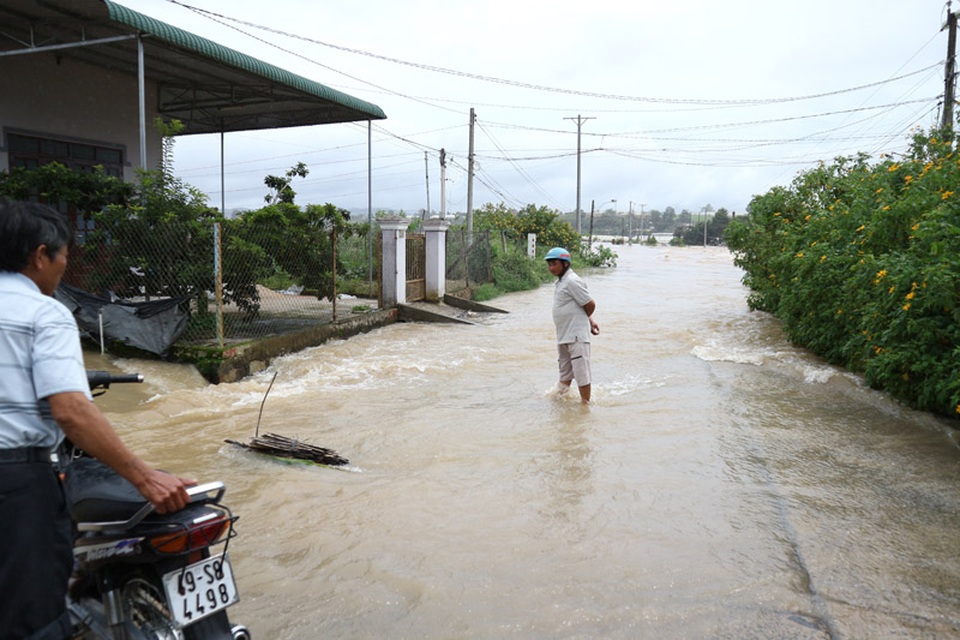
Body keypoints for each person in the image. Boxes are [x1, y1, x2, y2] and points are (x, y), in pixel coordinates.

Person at [0, 199, 193, 640]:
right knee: (33, 620)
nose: (65, 266)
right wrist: (145, 477)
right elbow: (71, 410)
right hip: (16, 484)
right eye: (64, 255)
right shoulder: (43, 313)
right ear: (39, 255)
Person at [545, 247, 600, 404]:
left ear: (565, 264)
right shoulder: (561, 282)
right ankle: (560, 400)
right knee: (565, 372)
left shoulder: (572, 281)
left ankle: (585, 406)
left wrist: (587, 321)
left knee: (581, 372)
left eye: (554, 264)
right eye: (549, 265)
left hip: (576, 336)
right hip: (564, 335)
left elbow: (589, 304)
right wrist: (590, 321)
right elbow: (577, 307)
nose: (551, 268)